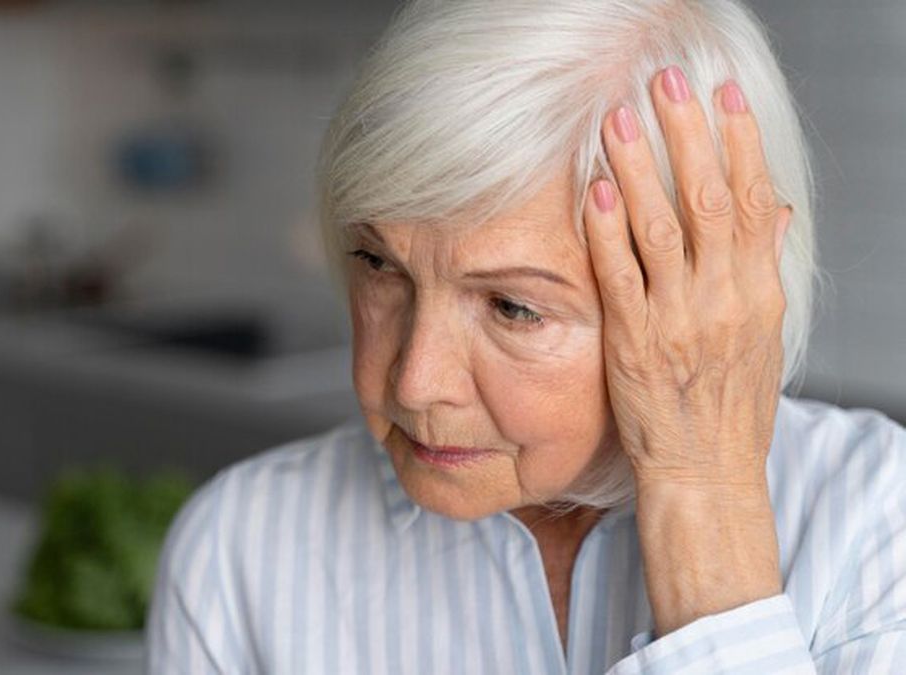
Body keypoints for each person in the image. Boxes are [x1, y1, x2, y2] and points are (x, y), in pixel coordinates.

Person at [145, 0, 906, 672]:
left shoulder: (879, 524)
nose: (414, 380)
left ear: (716, 300)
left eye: (513, 307)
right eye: (380, 263)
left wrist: (703, 495)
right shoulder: (240, 547)